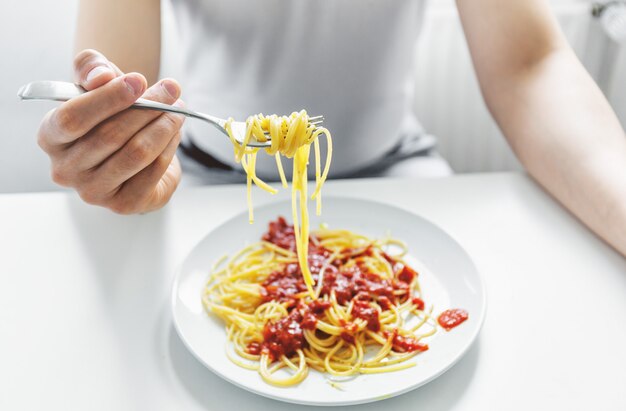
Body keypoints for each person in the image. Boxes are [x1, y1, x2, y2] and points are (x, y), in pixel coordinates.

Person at [36, 0, 626, 257]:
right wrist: (113, 150)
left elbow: (530, 67)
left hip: (400, 167)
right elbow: (122, 91)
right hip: (197, 178)